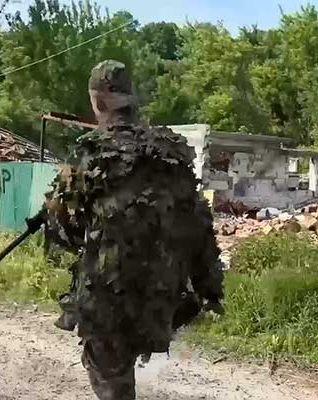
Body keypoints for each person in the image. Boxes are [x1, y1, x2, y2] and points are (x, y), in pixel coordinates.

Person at [44, 60, 224, 400]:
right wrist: (207, 288)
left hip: (109, 302)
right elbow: (200, 223)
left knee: (113, 383)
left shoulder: (91, 154)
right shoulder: (171, 154)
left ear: (98, 102)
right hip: (161, 297)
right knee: (120, 373)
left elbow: (63, 231)